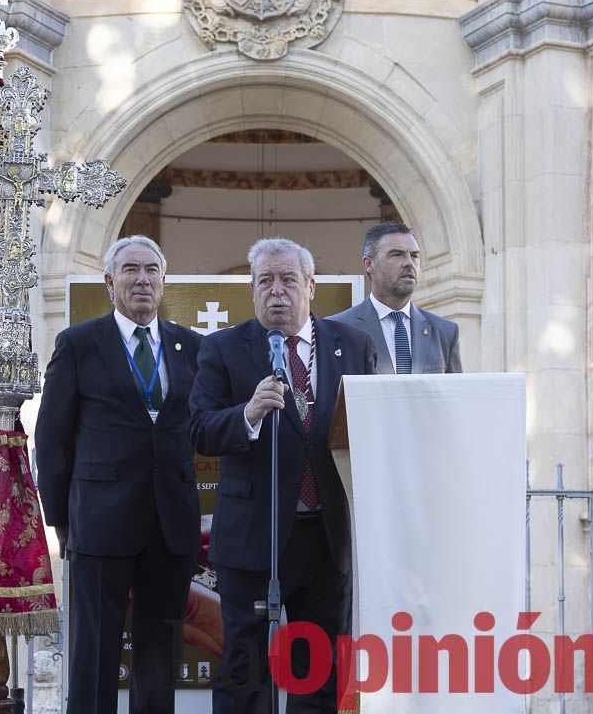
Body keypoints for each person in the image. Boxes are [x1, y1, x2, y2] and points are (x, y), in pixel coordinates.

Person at [189, 237, 377, 712]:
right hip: (255, 537)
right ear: (252, 290)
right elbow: (198, 430)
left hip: (326, 539)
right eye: (265, 281)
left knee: (319, 672)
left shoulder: (352, 346)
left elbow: (372, 425)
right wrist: (247, 414)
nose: (276, 291)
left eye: (288, 279)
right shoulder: (223, 349)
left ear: (311, 286)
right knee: (244, 670)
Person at [34, 235, 202, 714]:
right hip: (99, 523)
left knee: (158, 660)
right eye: (130, 270)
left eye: (152, 269)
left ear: (163, 280)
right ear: (110, 283)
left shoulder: (190, 346)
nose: (142, 279)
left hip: (170, 525)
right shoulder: (79, 344)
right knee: (95, 655)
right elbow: (52, 438)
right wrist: (61, 519)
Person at [329, 221, 462, 374]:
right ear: (369, 264)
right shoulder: (336, 329)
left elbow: (455, 395)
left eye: (414, 256)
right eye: (397, 255)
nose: (409, 263)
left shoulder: (445, 332)